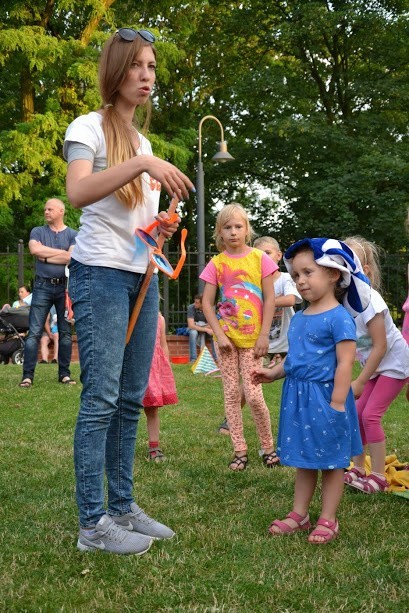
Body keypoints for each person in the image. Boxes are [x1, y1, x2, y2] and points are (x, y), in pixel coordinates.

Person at [64, 27, 194, 555]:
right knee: (100, 397)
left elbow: (133, 218)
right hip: (98, 274)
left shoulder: (142, 143)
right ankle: (92, 525)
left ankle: (122, 506)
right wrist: (141, 165)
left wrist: (159, 225)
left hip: (142, 275)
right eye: (138, 65)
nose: (147, 76)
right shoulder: (88, 127)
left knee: (129, 399)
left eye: (153, 67)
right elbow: (77, 192)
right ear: (117, 71)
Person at [252, 238, 370, 543]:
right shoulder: (301, 318)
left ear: (332, 274)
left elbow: (345, 363)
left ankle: (328, 518)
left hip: (328, 399)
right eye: (296, 276)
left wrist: (337, 403)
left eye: (308, 273)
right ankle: (299, 514)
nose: (301, 281)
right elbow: (295, 359)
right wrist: (273, 373)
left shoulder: (339, 318)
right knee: (305, 459)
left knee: (332, 462)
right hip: (299, 398)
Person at [200, 203, 278, 471]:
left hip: (254, 342)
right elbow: (207, 303)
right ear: (219, 233)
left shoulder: (260, 259)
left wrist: (264, 335)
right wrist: (219, 334)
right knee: (232, 395)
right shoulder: (217, 263)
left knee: (255, 396)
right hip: (227, 343)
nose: (233, 232)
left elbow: (270, 299)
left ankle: (268, 446)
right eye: (227, 227)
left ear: (247, 229)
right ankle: (239, 450)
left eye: (238, 226)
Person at [343, 236, 409, 493]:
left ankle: (378, 476)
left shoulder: (371, 300)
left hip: (395, 364)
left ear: (364, 271)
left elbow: (380, 346)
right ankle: (359, 469)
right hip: (375, 365)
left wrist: (359, 380)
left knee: (371, 415)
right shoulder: (343, 304)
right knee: (357, 413)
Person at [19, 199, 77, 388]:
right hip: (42, 286)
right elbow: (35, 250)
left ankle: (65, 375)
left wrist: (46, 255)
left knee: (65, 333)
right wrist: (59, 253)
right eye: (45, 209)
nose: (46, 211)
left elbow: (71, 257)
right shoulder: (37, 231)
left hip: (64, 288)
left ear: (61, 211)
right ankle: (27, 377)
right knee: (34, 332)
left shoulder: (73, 234)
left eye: (50, 209)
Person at [253, 236, 302, 364]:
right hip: (261, 341)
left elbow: (290, 300)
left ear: (279, 255)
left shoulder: (285, 278)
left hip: (286, 343)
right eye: (258, 255)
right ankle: (273, 358)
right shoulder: (253, 283)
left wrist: (264, 302)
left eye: (268, 253)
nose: (263, 258)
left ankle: (279, 357)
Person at [143, 312, 178, 462]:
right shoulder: (129, 314)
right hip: (134, 366)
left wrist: (165, 369)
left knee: (152, 409)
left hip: (153, 369)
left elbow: (163, 345)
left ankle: (154, 446)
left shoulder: (159, 319)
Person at [187, 294, 214, 362]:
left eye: (197, 302)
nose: (194, 304)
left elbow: (212, 325)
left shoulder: (209, 308)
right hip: (194, 329)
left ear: (202, 304)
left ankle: (216, 357)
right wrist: (206, 328)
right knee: (193, 333)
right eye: (194, 302)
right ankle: (193, 359)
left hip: (202, 328)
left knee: (214, 333)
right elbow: (191, 325)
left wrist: (200, 326)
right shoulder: (191, 307)